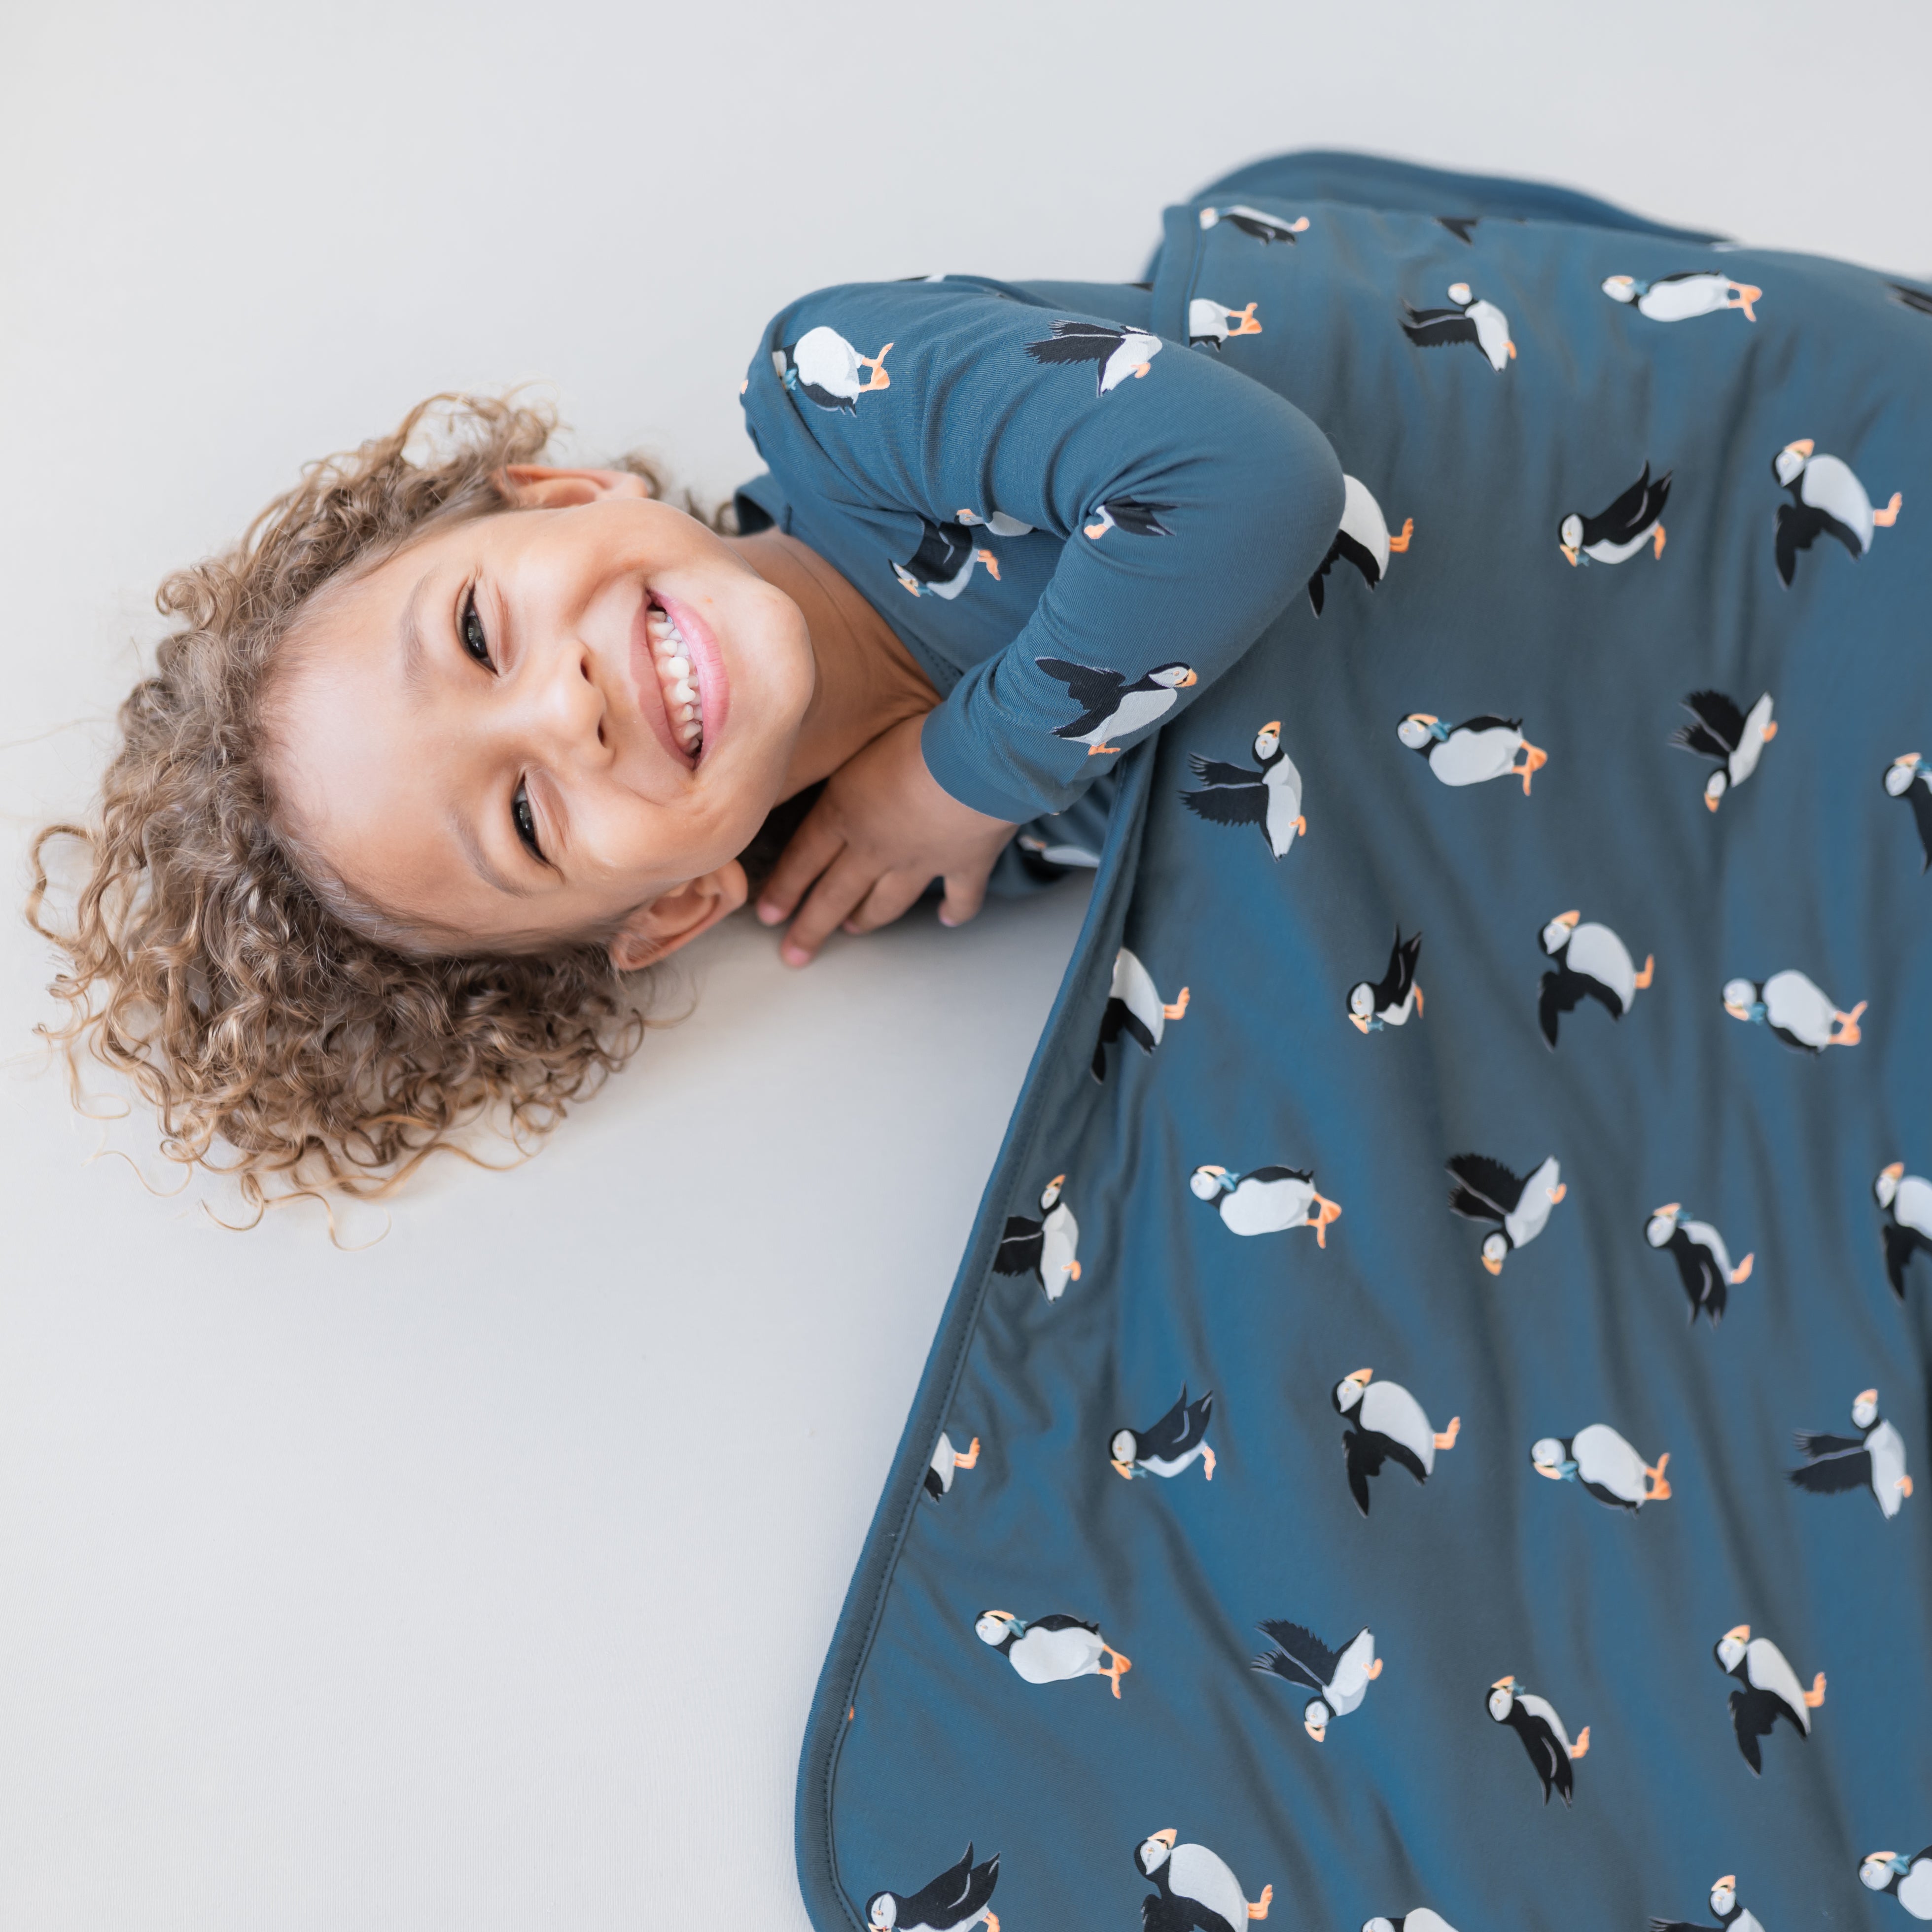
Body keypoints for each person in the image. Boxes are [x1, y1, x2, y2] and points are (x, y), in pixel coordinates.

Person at [38, 150, 1713, 1211]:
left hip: (1612, 483)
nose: (563, 708)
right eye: (528, 820)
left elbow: (1244, 484)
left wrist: (964, 776)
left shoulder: (844, 395)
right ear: (676, 904)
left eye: (479, 633)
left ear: (559, 495)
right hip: (1630, 760)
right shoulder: (885, 871)